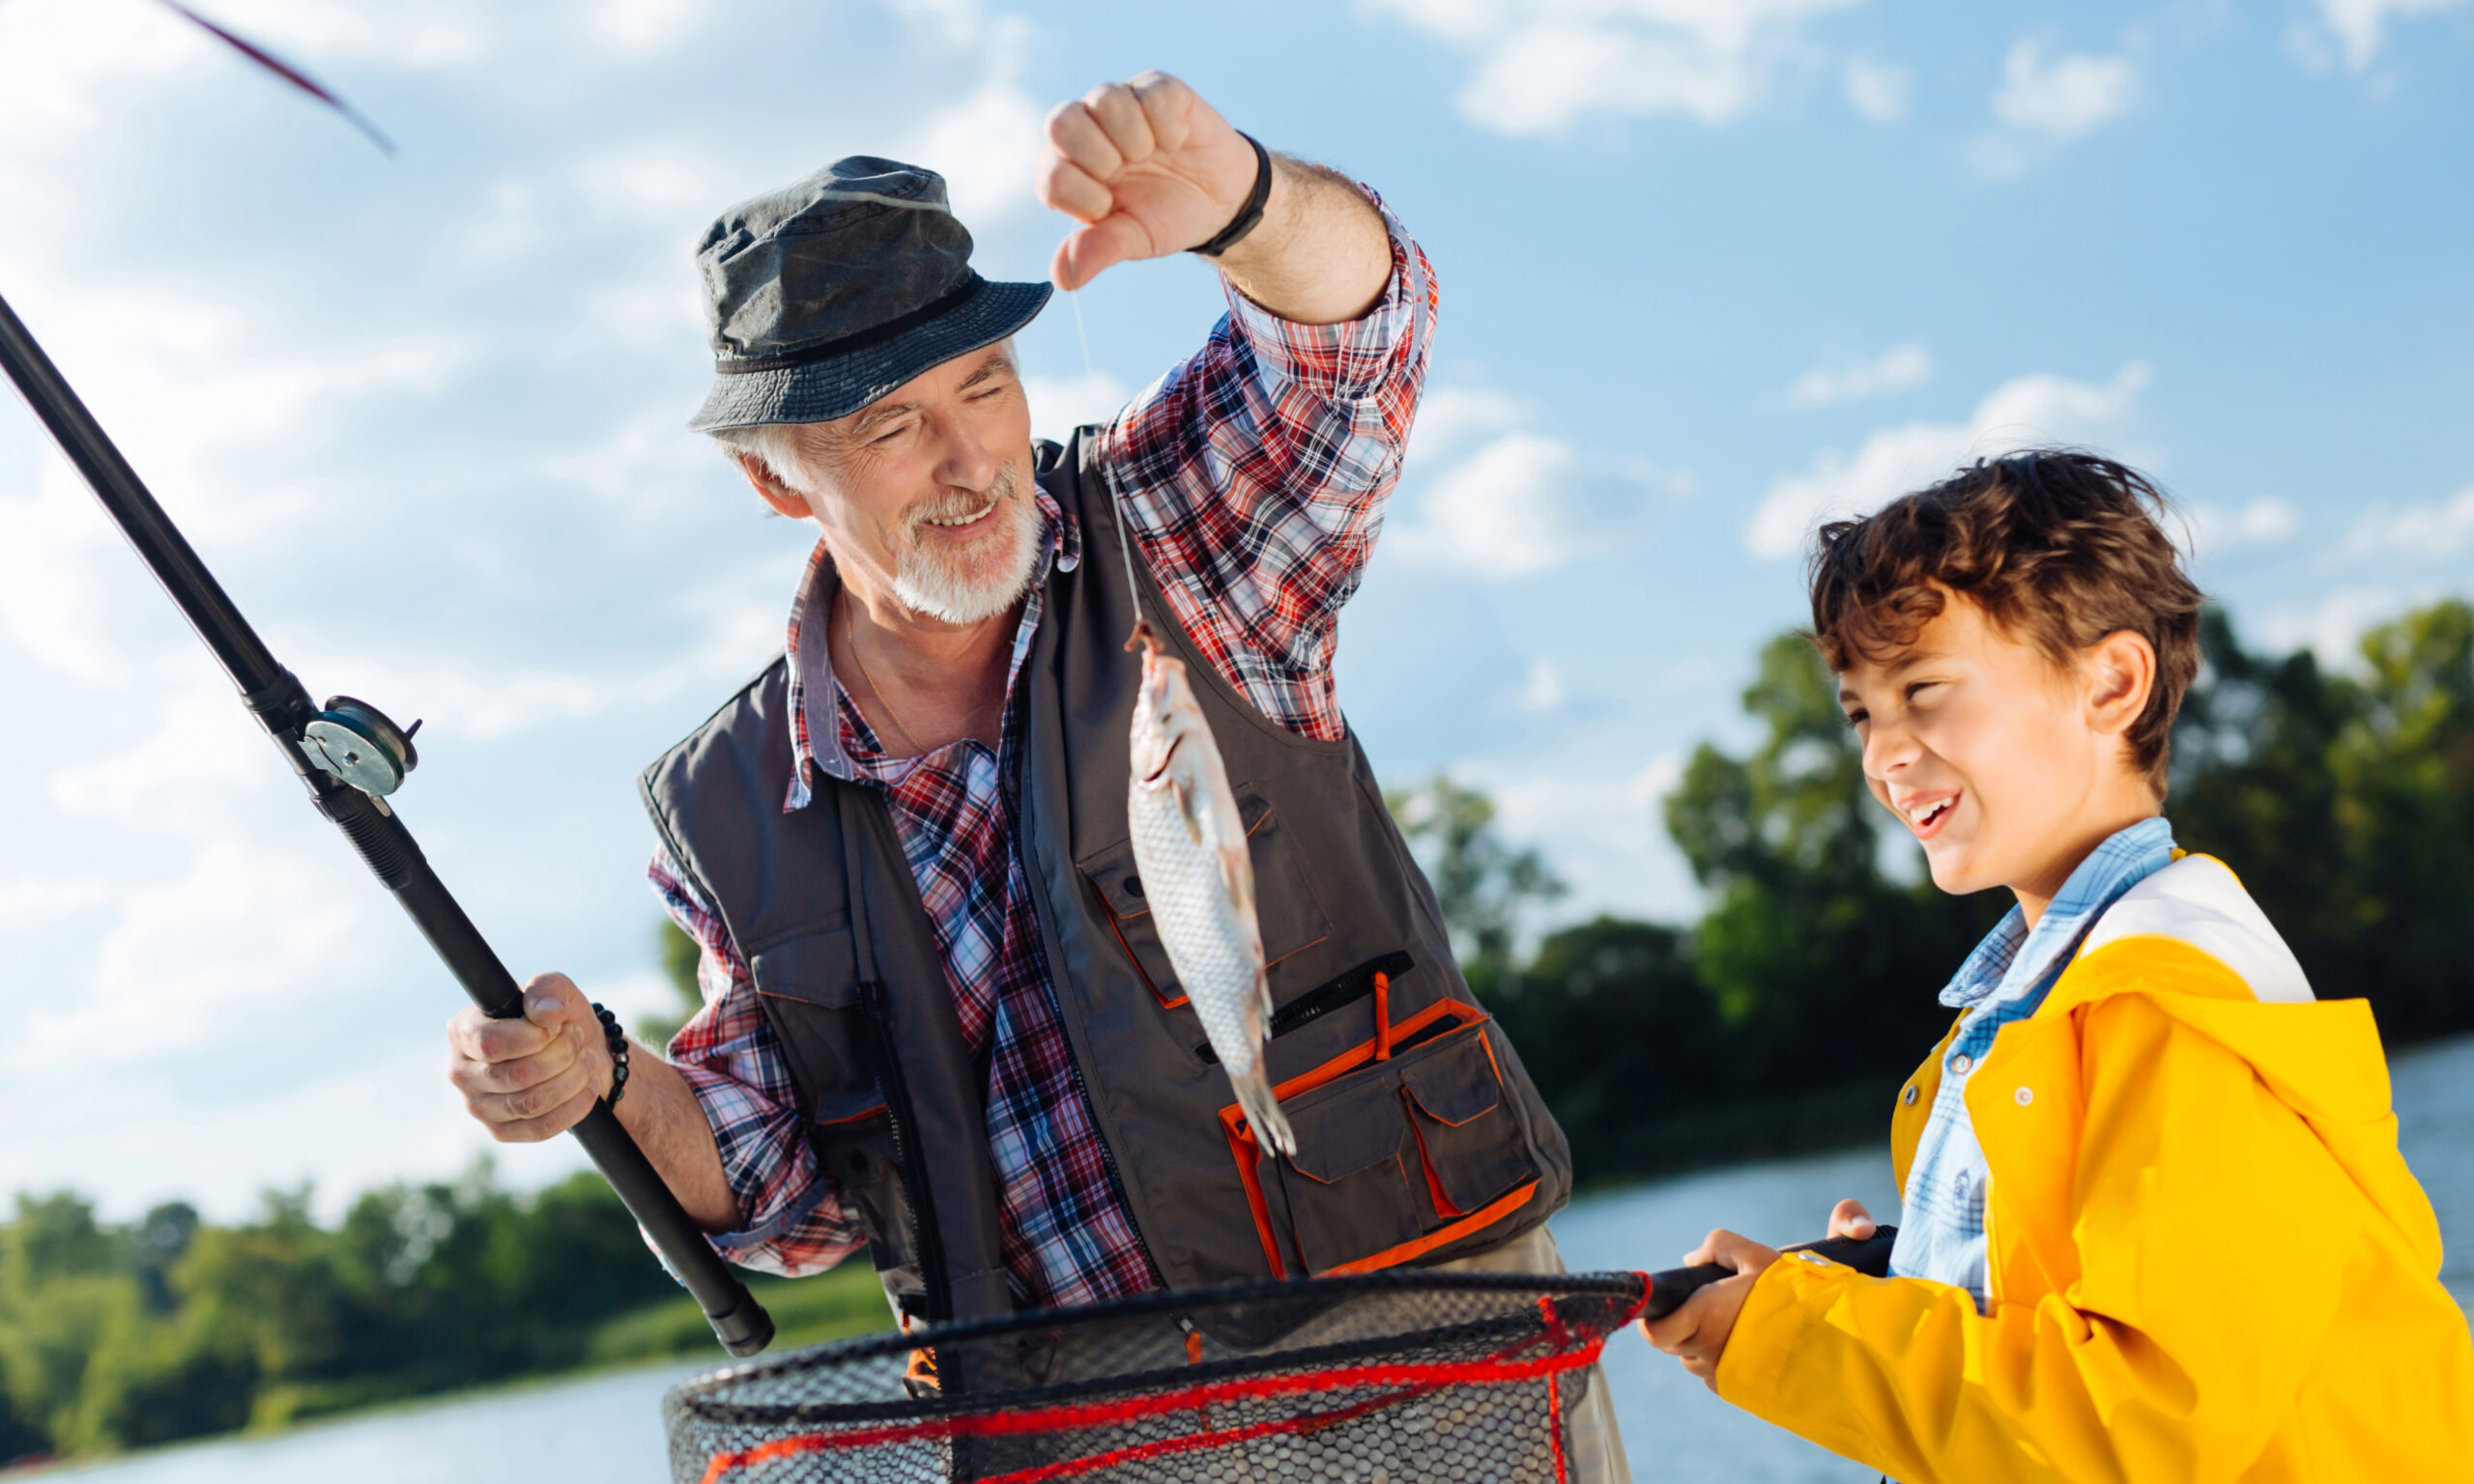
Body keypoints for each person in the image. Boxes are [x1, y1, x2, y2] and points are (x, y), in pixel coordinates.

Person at [442, 71, 1625, 1478]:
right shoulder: (727, 806)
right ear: (774, 482)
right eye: (891, 426)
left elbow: (1353, 347)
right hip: (1077, 1430)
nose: (970, 460)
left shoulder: (1173, 531)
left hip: (1410, 1347)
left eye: (985, 388)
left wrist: (1247, 203)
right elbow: (788, 1199)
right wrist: (606, 1080)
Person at [1640, 451, 2474, 1480]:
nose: (1880, 755)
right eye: (1862, 711)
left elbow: (2143, 1423)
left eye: (1924, 690)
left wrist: (1792, 1338)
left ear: (2109, 683)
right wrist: (1873, 1290)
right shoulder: (2037, 1011)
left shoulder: (2167, 1013)